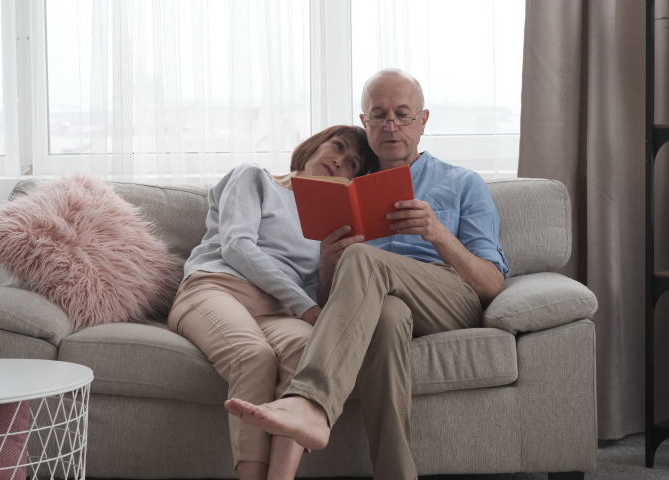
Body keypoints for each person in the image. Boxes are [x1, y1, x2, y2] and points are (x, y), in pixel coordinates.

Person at [225, 68, 510, 480]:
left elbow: (491, 284)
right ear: (365, 122)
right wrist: (325, 265)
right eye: (379, 115)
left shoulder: (462, 183)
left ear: (423, 121)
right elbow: (332, 305)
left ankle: (310, 402)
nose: (390, 125)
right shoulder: (346, 183)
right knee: (388, 314)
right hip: (384, 304)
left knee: (363, 259)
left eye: (402, 114)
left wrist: (439, 235)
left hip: (447, 296)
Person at [167, 125, 378, 480]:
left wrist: (326, 267)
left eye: (352, 164)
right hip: (216, 287)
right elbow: (237, 245)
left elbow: (314, 298)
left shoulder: (329, 222)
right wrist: (306, 306)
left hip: (280, 310)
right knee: (255, 356)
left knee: (309, 350)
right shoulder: (253, 178)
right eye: (337, 147)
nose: (339, 161)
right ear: (314, 145)